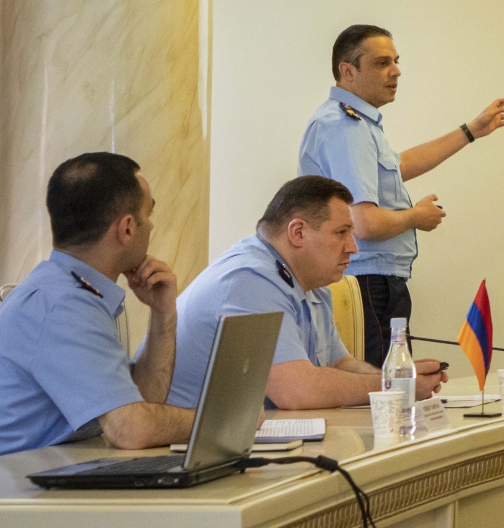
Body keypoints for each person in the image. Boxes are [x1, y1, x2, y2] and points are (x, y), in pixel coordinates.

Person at [299, 24, 504, 367]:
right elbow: (364, 223)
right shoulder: (344, 126)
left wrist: (470, 131)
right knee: (384, 388)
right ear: (347, 71)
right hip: (366, 283)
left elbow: (399, 165)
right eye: (382, 63)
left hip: (373, 281)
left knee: (392, 382)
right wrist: (416, 216)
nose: (396, 71)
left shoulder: (357, 124)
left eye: (396, 61)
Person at [167, 176, 449, 411]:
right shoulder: (249, 279)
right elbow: (296, 391)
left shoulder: (311, 284)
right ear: (298, 232)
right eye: (341, 232)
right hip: (176, 449)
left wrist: (399, 375)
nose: (353, 247)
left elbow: (341, 364)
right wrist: (396, 387)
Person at [0, 154, 192, 455]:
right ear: (127, 228)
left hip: (52, 472)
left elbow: (143, 400)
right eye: (149, 213)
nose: (152, 226)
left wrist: (163, 313)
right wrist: (220, 422)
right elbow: (130, 429)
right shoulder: (62, 305)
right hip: (19, 481)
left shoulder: (71, 292)